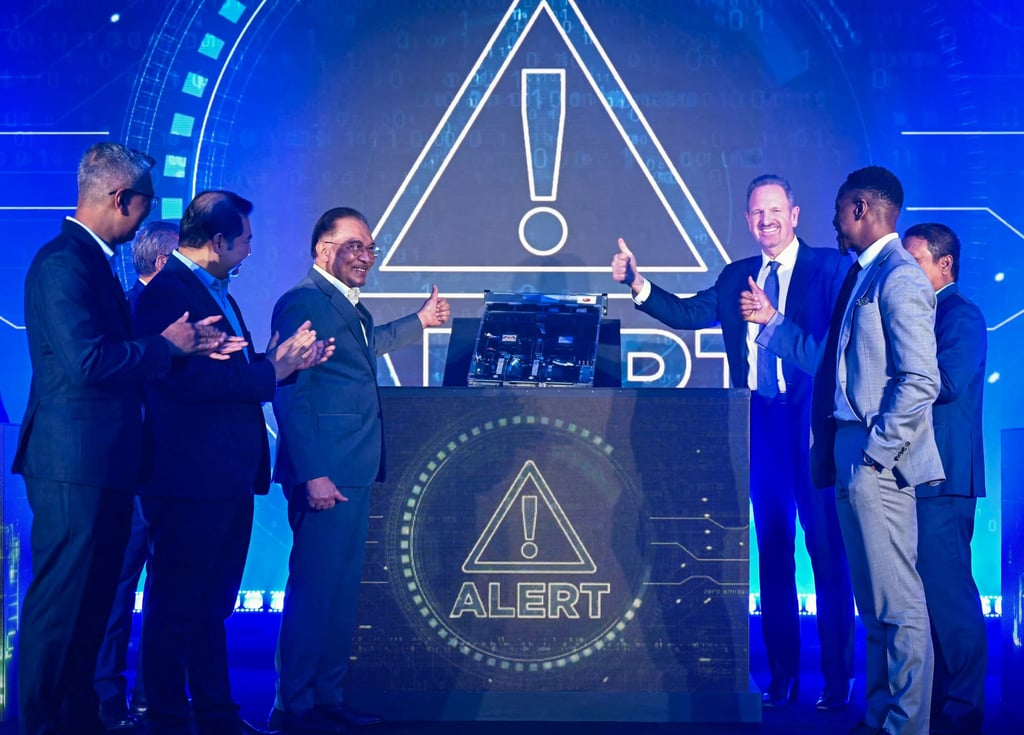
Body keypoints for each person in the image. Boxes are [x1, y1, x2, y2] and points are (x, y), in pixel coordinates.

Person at [610, 174, 856, 709]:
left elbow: (833, 353)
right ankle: (783, 675)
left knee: (827, 553)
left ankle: (839, 678)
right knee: (771, 553)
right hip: (759, 425)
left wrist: (772, 319)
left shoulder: (830, 271)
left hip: (812, 427)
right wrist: (639, 285)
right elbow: (688, 313)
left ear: (794, 215)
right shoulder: (736, 276)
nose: (766, 220)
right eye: (756, 213)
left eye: (775, 211)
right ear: (747, 222)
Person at [13, 143, 235, 735]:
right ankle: (38, 723)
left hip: (106, 464)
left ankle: (79, 718)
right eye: (146, 202)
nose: (147, 214)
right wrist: (168, 347)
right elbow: (87, 361)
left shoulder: (93, 261)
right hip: (73, 464)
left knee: (91, 609)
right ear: (121, 199)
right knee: (62, 607)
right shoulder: (63, 263)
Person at [743, 166, 942, 735]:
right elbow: (831, 359)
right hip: (852, 456)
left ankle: (905, 724)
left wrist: (876, 453)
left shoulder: (899, 277)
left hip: (876, 460)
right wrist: (772, 324)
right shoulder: (865, 273)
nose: (832, 220)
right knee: (876, 606)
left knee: (899, 607)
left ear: (861, 208)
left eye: (837, 208)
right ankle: (881, 715)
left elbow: (920, 380)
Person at [132, 190, 332, 735]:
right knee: (175, 608)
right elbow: (193, 383)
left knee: (211, 604)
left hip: (224, 478)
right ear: (217, 241)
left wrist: (275, 363)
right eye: (244, 239)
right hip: (187, 479)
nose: (250, 249)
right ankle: (169, 717)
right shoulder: (165, 293)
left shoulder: (210, 288)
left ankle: (217, 713)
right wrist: (275, 371)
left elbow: (228, 371)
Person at [268, 206, 450, 734]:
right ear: (324, 248)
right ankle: (294, 705)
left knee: (341, 593)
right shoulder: (303, 302)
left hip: (354, 469)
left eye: (370, 248)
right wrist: (313, 473)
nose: (365, 257)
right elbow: (289, 393)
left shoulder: (349, 308)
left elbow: (362, 350)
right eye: (354, 246)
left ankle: (326, 697)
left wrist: (419, 321)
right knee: (313, 592)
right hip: (326, 473)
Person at [94, 220, 180, 731]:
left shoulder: (172, 312)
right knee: (117, 590)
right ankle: (107, 698)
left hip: (170, 475)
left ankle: (154, 696)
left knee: (166, 591)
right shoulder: (126, 313)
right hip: (132, 478)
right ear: (166, 263)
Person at [903, 223, 988, 735]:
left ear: (944, 266)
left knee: (951, 599)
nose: (904, 274)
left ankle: (963, 710)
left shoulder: (961, 316)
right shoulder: (923, 317)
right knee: (926, 603)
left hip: (945, 481)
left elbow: (949, 383)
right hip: (916, 479)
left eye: (913, 263)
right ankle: (932, 707)